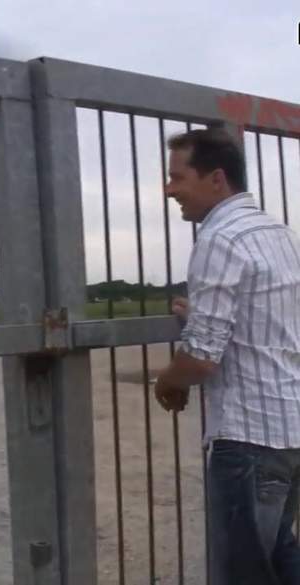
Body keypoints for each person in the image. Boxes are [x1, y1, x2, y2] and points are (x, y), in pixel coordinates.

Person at [155, 128, 300, 584]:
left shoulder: (220, 238)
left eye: (177, 177)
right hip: (290, 429)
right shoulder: (281, 235)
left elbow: (201, 357)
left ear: (216, 179)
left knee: (243, 572)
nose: (169, 189)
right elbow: (271, 318)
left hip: (249, 437)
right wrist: (201, 315)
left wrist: (168, 380)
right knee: (278, 554)